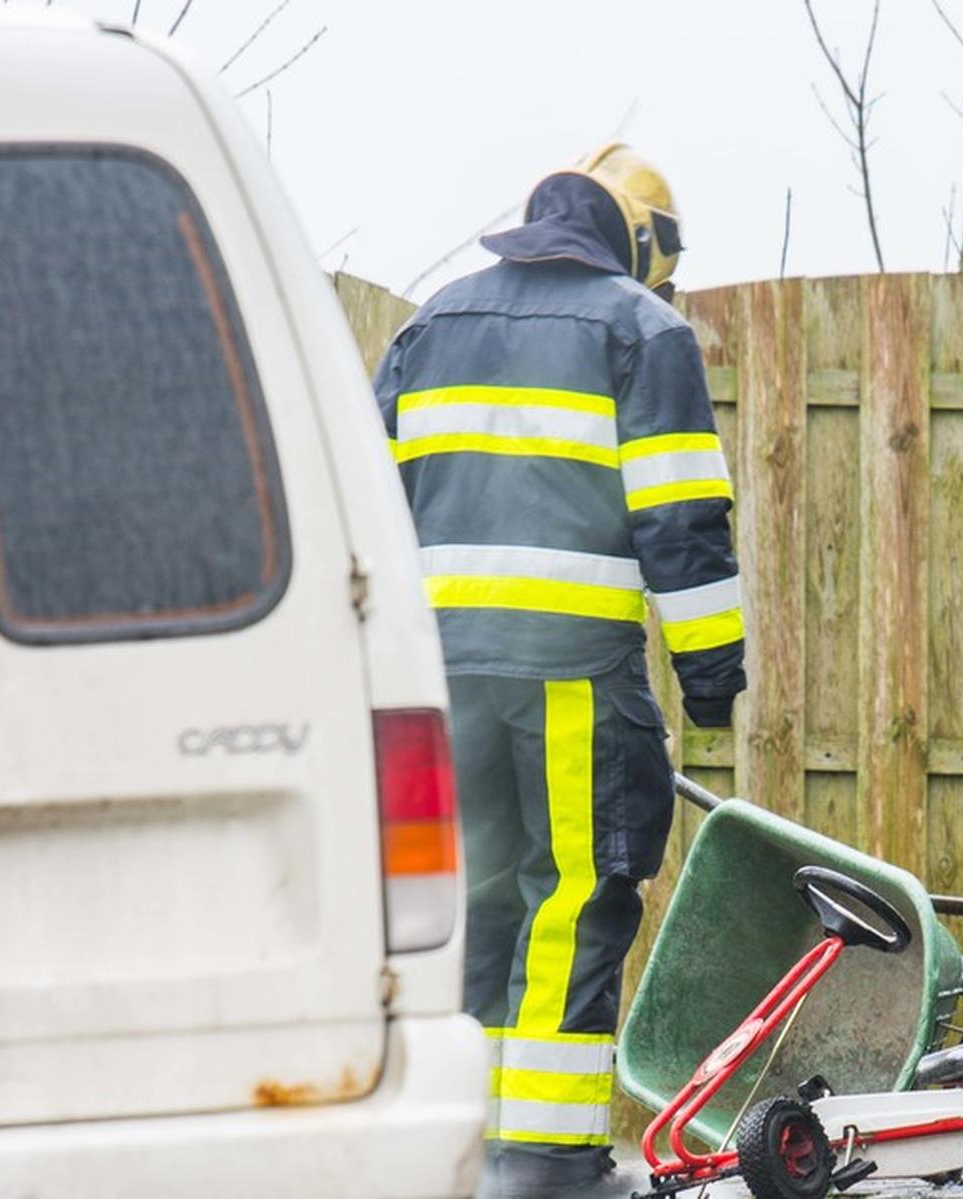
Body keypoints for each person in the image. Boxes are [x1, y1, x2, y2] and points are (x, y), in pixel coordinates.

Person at [376, 144, 746, 1198]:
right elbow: (682, 525)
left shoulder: (431, 321)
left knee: (465, 902)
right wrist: (712, 677)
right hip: (573, 678)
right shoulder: (642, 328)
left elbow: (361, 498)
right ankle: (541, 1165)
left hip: (436, 684)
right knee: (573, 900)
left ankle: (452, 1155)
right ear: (641, 243)